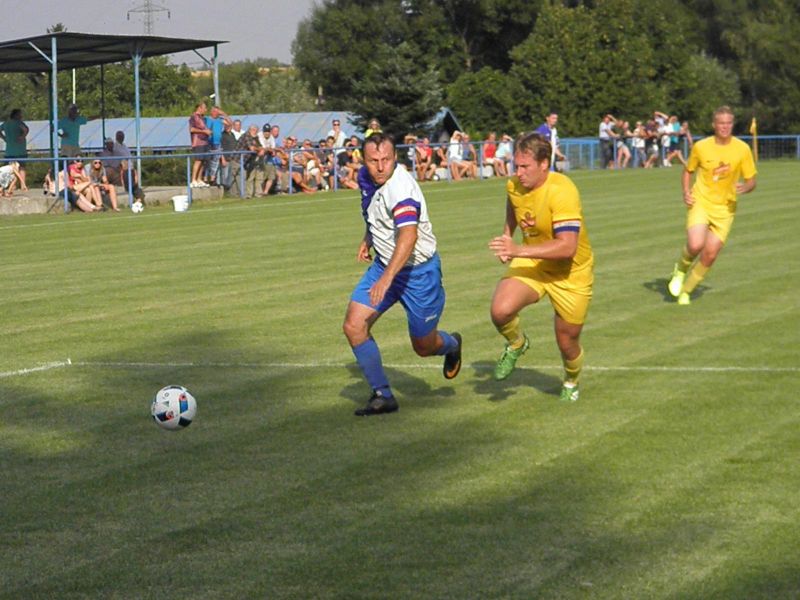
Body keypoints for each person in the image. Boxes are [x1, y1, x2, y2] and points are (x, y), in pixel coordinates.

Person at [343, 133, 462, 416]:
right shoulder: (365, 178)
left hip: (419, 273)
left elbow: (408, 235)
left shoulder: (401, 187)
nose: (381, 166)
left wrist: (387, 280)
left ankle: (452, 344)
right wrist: (369, 238)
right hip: (385, 264)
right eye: (374, 161)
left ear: (395, 157)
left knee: (423, 346)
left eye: (386, 160)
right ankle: (382, 394)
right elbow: (375, 213)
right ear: (364, 160)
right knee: (354, 325)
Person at [488, 132, 594, 403]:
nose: (518, 173)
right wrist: (507, 235)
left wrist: (517, 249)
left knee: (566, 341)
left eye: (525, 167)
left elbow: (567, 246)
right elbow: (513, 205)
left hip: (571, 272)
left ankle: (571, 380)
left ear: (544, 163)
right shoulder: (514, 185)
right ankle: (516, 344)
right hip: (534, 262)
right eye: (516, 165)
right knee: (500, 310)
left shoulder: (563, 191)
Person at [667, 106, 757, 305]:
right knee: (695, 244)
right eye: (721, 123)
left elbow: (752, 179)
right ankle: (680, 269)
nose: (725, 127)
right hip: (701, 201)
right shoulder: (701, 146)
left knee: (710, 254)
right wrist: (686, 191)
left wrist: (747, 187)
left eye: (728, 123)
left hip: (725, 209)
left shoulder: (742, 149)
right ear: (714, 125)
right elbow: (688, 170)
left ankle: (686, 291)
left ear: (732, 125)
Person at [0, 109, 29, 191]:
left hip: (9, 151)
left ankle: (12, 186)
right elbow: (26, 129)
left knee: (9, 170)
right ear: (16, 115)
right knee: (22, 168)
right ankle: (23, 185)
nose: (21, 116)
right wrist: (23, 136)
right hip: (20, 150)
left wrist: (4, 137)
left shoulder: (6, 123)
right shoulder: (19, 123)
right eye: (20, 114)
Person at [188, 101, 211, 187]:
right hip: (197, 142)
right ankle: (193, 179)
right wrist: (203, 131)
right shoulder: (193, 117)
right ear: (199, 108)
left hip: (205, 142)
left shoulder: (203, 118)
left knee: (203, 161)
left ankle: (199, 179)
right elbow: (192, 129)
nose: (206, 110)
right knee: (198, 160)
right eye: (204, 108)